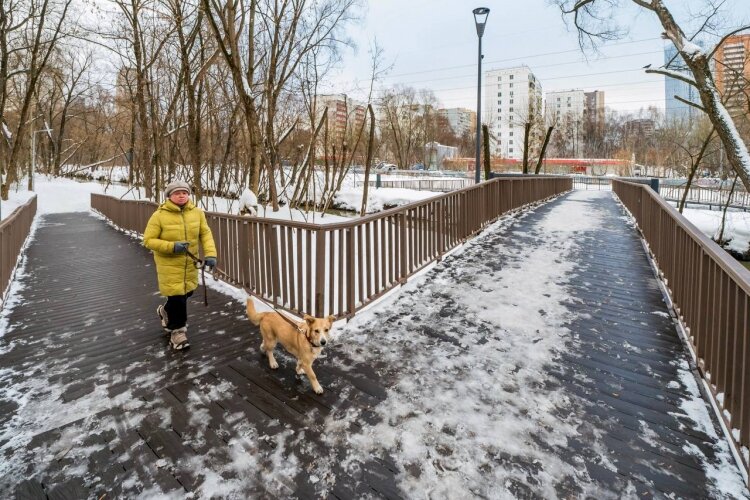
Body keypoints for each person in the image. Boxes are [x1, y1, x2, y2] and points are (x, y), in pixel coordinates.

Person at [143, 180, 217, 350]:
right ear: (169, 196)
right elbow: (148, 240)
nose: (182, 195)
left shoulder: (197, 213)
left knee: (187, 293)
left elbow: (205, 234)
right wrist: (172, 246)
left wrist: (211, 254)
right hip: (169, 264)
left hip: (189, 264)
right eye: (177, 193)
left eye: (184, 192)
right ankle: (177, 333)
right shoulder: (159, 216)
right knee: (178, 299)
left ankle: (164, 311)